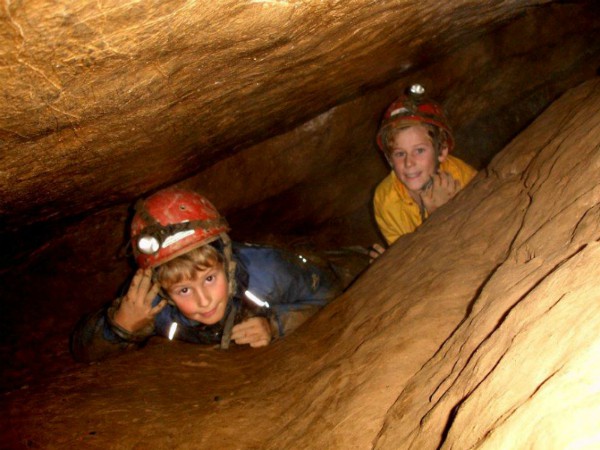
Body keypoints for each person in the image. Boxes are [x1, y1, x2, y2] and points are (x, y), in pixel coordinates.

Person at [70, 187, 349, 363]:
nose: (203, 301)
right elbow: (84, 350)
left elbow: (337, 293)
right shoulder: (151, 303)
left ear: (226, 263)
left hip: (312, 262)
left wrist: (276, 324)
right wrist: (120, 327)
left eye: (209, 279)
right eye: (183, 290)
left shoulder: (268, 273)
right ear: (162, 289)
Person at [372, 84, 477, 249]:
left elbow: (477, 239)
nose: (409, 162)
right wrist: (390, 262)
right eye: (400, 154)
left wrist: (445, 212)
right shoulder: (386, 200)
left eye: (419, 150)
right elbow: (413, 257)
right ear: (389, 159)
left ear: (441, 151)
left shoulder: (464, 179)